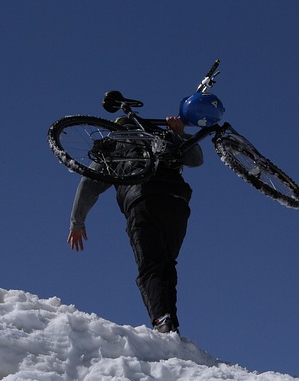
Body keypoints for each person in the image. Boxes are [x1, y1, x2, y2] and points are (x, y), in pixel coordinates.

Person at [67, 116, 203, 334]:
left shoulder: (113, 146)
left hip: (143, 199)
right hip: (177, 201)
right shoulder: (161, 136)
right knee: (166, 263)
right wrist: (178, 134)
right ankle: (169, 322)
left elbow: (88, 184)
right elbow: (196, 160)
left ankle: (163, 320)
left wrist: (77, 222)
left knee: (151, 265)